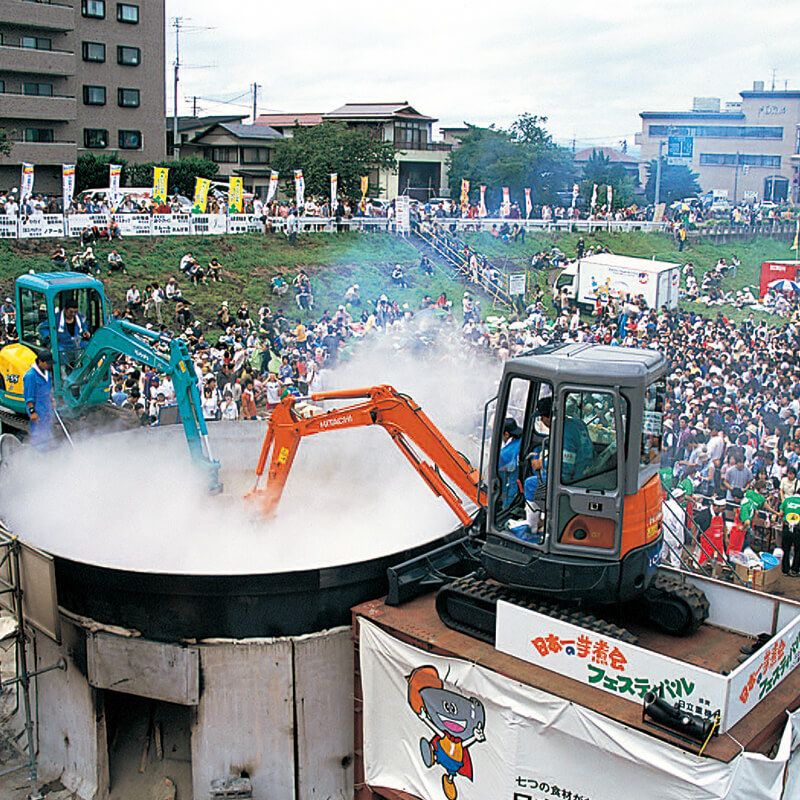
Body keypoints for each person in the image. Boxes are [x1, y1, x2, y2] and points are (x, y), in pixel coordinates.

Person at [23, 350, 55, 448]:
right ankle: (39, 454)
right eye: (47, 363)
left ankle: (49, 450)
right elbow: (28, 397)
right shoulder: (30, 376)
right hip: (37, 408)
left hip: (46, 406)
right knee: (39, 432)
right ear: (40, 361)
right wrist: (33, 412)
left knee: (48, 428)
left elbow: (47, 389)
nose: (49, 366)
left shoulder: (46, 373)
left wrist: (52, 400)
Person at [498, 417, 523, 508]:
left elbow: (501, 483)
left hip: (513, 495)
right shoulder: (523, 441)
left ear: (506, 434)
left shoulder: (504, 454)